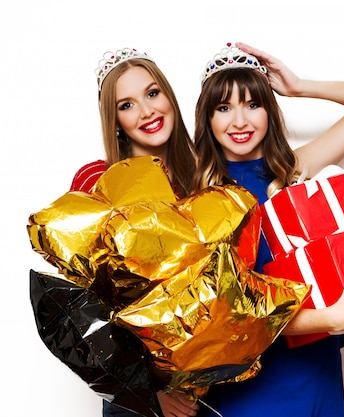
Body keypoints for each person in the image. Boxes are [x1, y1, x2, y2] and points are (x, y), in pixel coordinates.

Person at [192, 42, 344, 416]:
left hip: (316, 366)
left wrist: (300, 86)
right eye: (224, 108)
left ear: (270, 111)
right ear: (207, 119)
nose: (240, 121)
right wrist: (335, 318)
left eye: (253, 104)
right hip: (249, 382)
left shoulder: (291, 172)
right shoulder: (200, 199)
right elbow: (230, 315)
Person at [70, 47, 199, 417]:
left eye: (152, 93)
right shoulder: (97, 182)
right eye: (126, 105)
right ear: (114, 121)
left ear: (169, 97)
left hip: (208, 389)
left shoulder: (204, 180)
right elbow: (86, 305)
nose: (146, 112)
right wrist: (144, 389)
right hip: (141, 400)